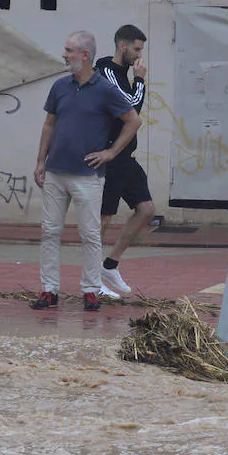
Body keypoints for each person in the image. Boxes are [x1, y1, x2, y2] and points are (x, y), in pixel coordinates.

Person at [32, 30, 142, 312]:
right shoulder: (59, 86)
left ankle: (91, 291)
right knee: (49, 232)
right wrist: (41, 161)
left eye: (69, 50)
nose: (64, 54)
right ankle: (48, 290)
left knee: (90, 235)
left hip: (88, 175)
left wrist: (112, 152)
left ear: (84, 55)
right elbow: (48, 125)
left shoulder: (105, 89)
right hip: (56, 172)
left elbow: (133, 121)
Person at [95, 24, 156, 300]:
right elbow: (130, 108)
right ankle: (92, 277)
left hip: (126, 157)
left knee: (146, 209)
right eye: (137, 48)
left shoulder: (123, 74)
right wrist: (140, 80)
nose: (139, 55)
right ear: (123, 46)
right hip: (109, 154)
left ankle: (110, 264)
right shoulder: (107, 71)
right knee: (103, 218)